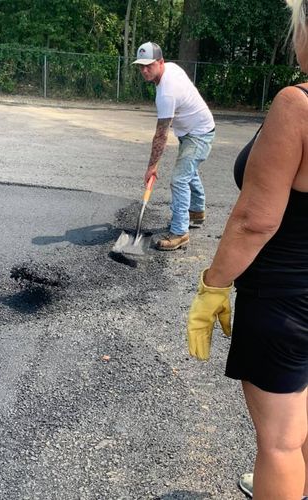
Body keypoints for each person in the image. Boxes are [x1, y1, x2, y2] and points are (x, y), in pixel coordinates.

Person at [187, 0, 308, 498]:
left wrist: (211, 286)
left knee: (279, 443)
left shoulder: (297, 105)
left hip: (285, 299)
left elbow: (255, 220)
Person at [132, 42, 215, 250]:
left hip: (199, 134)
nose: (144, 70)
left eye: (149, 65)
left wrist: (152, 167)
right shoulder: (172, 68)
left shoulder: (166, 93)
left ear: (160, 62)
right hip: (192, 130)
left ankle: (180, 232)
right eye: (141, 66)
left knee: (179, 179)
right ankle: (196, 211)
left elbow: (161, 135)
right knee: (189, 171)